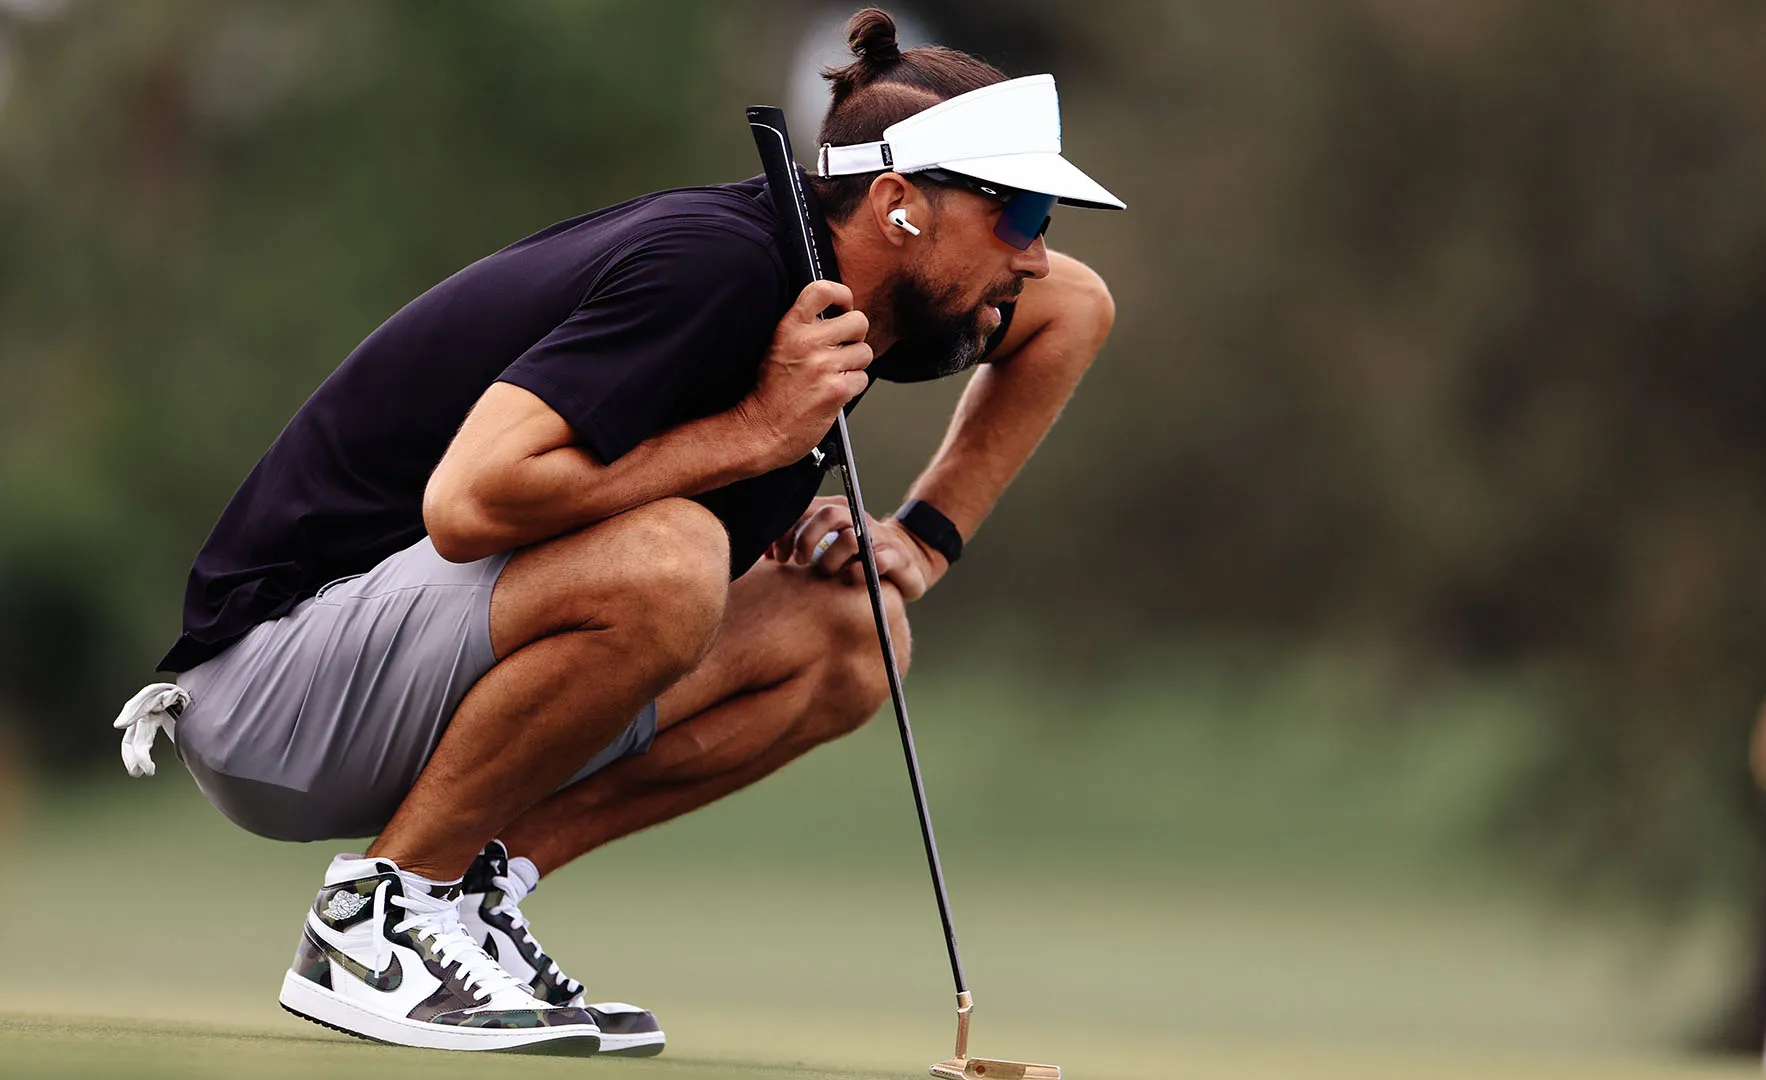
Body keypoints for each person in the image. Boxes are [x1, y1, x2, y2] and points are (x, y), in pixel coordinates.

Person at [111, 7, 1121, 1056]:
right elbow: (468, 503)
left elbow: (1076, 311)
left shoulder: (889, 297)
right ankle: (379, 918)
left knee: (854, 634)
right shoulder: (715, 269)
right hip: (275, 689)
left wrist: (922, 536)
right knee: (671, 560)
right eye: (1020, 213)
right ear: (900, 205)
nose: (1037, 253)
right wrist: (757, 433)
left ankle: (468, 894)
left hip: (415, 668)